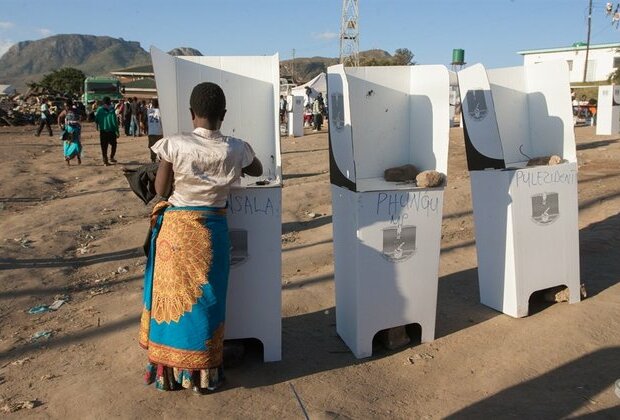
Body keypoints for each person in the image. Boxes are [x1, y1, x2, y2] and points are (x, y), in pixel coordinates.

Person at [140, 82, 262, 393]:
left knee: (173, 303)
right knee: (207, 302)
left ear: (192, 114)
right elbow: (257, 168)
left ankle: (170, 375)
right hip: (212, 232)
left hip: (177, 232)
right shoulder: (236, 147)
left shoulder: (175, 144)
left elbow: (161, 190)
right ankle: (203, 376)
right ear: (223, 114)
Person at [94, 96, 120, 166]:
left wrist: (97, 127)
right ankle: (111, 157)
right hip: (111, 131)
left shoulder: (99, 110)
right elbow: (115, 122)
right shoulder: (112, 110)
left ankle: (105, 161)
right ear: (109, 102)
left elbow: (96, 120)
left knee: (104, 147)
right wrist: (117, 131)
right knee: (114, 145)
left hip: (103, 131)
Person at [58, 99, 82, 165]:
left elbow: (81, 117)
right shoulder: (65, 111)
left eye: (67, 106)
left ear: (71, 105)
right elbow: (59, 117)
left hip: (75, 130)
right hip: (68, 130)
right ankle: (67, 160)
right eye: (65, 106)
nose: (66, 107)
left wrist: (77, 121)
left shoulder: (76, 110)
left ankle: (78, 157)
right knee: (67, 144)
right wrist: (59, 125)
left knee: (76, 145)